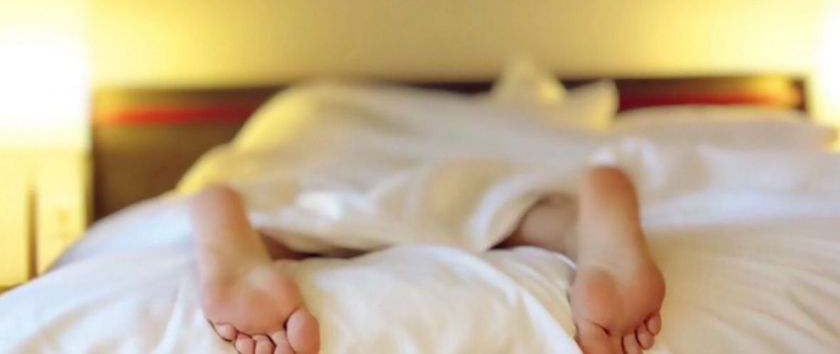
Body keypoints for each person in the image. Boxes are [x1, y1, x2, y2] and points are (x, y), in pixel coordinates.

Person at [188, 166, 666, 354]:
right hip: (475, 182)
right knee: (518, 214)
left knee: (299, 224)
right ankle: (584, 227)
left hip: (329, 190)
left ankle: (233, 231)